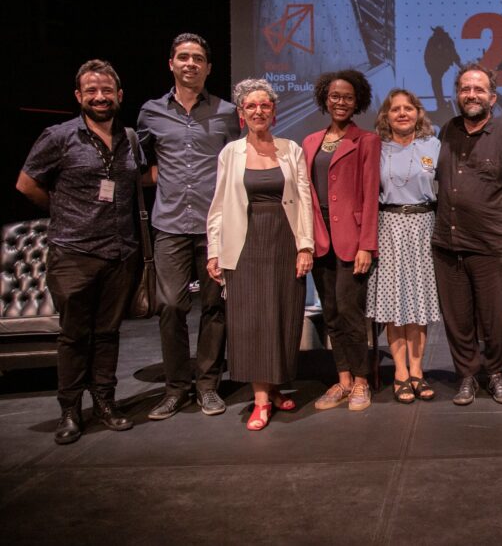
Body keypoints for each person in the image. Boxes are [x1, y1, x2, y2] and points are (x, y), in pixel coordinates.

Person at [17, 60, 140, 444]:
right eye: (92, 91)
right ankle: (69, 410)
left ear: (119, 95)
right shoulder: (59, 136)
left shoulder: (130, 138)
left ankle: (105, 401)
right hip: (73, 252)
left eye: (107, 91)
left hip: (120, 250)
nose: (100, 97)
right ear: (79, 96)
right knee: (74, 336)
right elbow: (26, 185)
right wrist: (63, 211)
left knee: (108, 334)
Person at [138, 33, 240, 420]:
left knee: (215, 307)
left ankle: (208, 385)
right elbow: (142, 164)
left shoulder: (227, 112)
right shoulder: (150, 112)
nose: (190, 64)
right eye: (183, 57)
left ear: (208, 67)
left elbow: (237, 161)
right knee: (169, 306)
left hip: (215, 226)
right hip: (170, 225)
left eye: (198, 58)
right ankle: (176, 387)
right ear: (171, 63)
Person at [206, 79, 314, 431]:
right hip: (245, 244)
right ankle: (261, 400)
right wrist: (214, 251)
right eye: (251, 106)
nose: (258, 111)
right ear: (241, 113)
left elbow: (304, 202)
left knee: (283, 316)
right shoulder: (230, 153)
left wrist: (305, 246)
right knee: (251, 320)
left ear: (274, 111)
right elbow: (219, 206)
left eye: (264, 106)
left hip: (283, 241)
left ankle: (277, 383)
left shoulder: (290, 149)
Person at [434, 63, 502, 405]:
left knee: (494, 317)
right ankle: (467, 376)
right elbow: (433, 175)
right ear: (457, 94)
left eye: (478, 89)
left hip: (491, 244)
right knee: (458, 318)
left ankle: (497, 374)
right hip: (448, 242)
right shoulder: (446, 131)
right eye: (464, 89)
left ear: (492, 96)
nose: (470, 95)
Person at [302, 70, 381, 412]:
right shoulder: (310, 142)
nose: (341, 102)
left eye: (348, 97)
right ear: (325, 98)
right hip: (320, 236)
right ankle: (343, 378)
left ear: (357, 101)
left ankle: (362, 381)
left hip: (352, 238)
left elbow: (370, 195)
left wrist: (367, 244)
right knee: (331, 311)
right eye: (335, 96)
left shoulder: (366, 140)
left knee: (351, 311)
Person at [366, 89, 443, 403]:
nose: (401, 113)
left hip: (425, 226)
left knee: (418, 305)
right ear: (386, 115)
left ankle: (417, 371)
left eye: (407, 108)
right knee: (394, 304)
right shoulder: (377, 148)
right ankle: (400, 372)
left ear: (417, 113)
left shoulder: (433, 146)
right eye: (395, 109)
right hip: (390, 226)